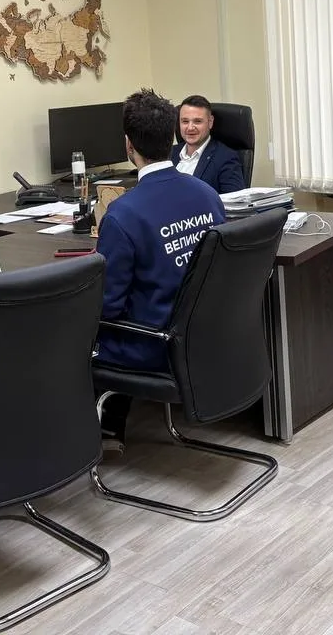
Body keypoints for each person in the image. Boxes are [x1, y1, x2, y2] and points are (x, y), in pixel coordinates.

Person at [97, 89, 226, 449]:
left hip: (156, 345)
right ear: (172, 135)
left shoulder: (122, 214)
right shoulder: (206, 194)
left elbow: (107, 305)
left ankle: (93, 441)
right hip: (206, 334)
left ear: (128, 144)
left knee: (70, 336)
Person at [168, 94, 245, 194]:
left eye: (197, 121)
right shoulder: (168, 153)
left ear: (210, 122)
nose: (190, 128)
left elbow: (234, 201)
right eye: (185, 121)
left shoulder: (226, 158)